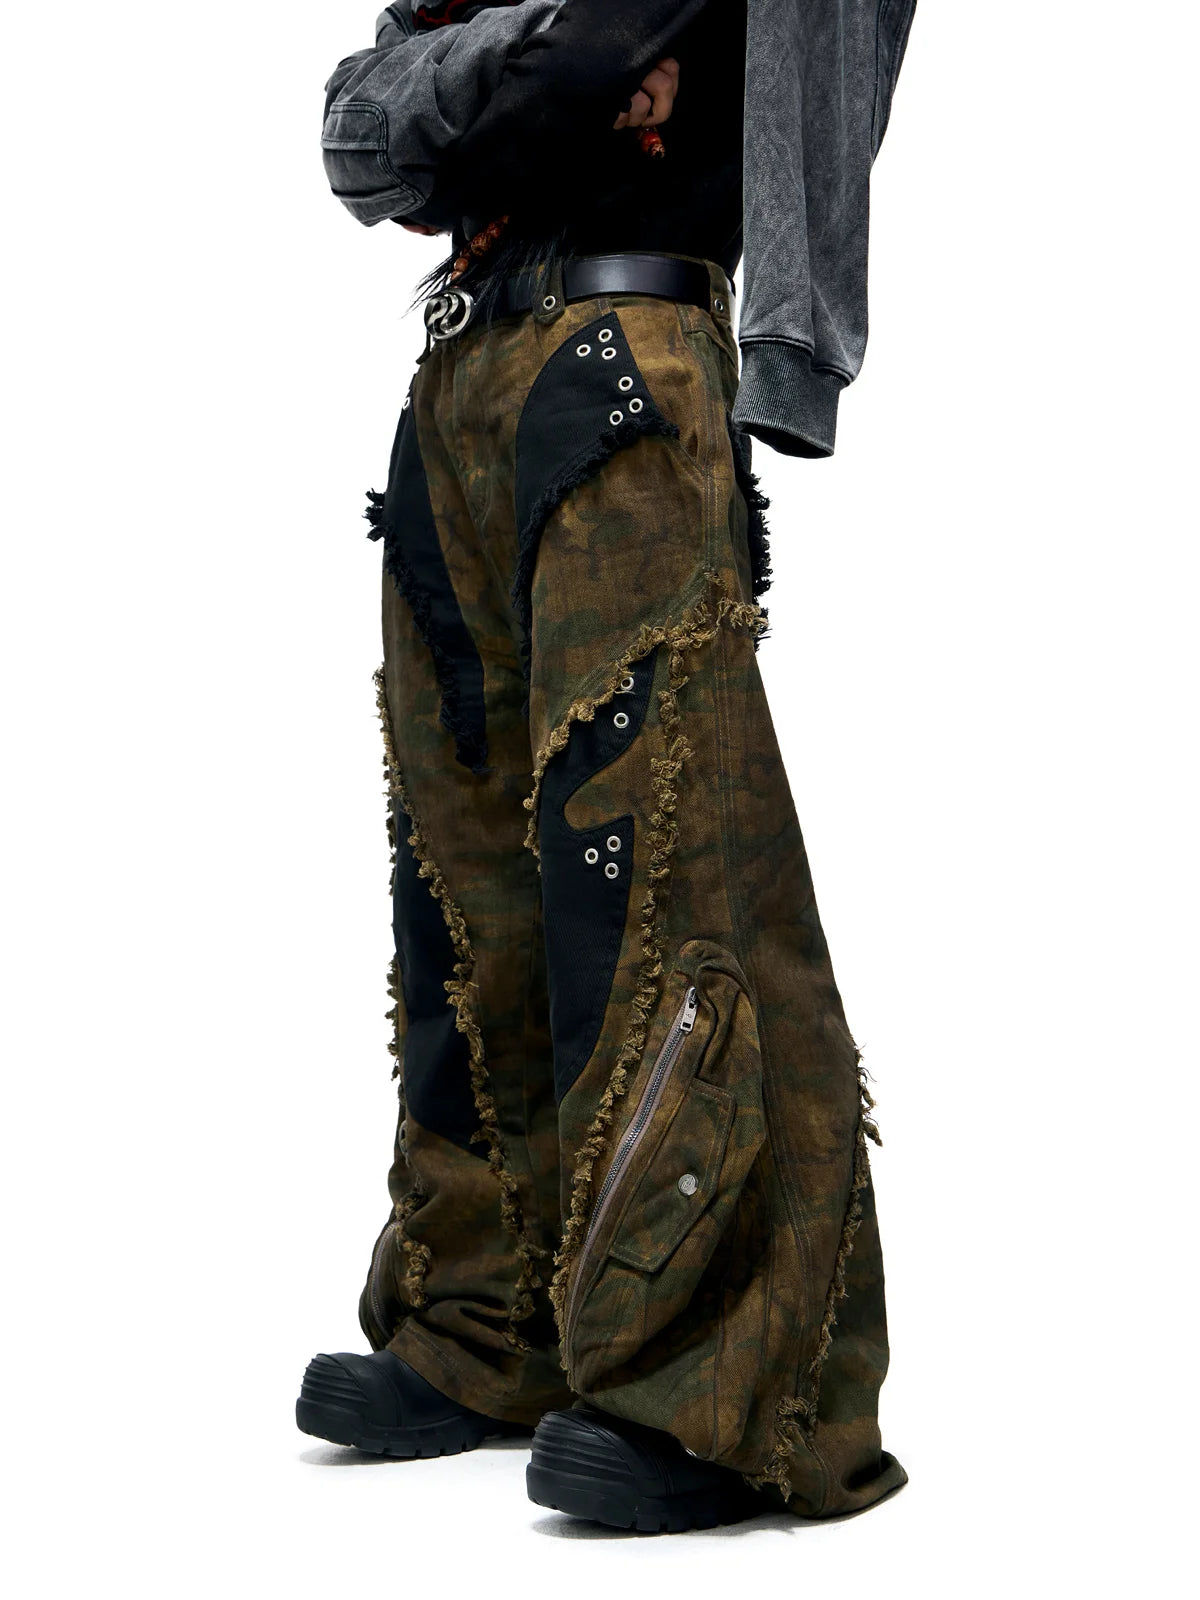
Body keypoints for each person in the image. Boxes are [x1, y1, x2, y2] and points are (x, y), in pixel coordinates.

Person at [299, 0, 916, 1532]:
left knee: (655, 863)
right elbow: (357, 130)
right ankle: (485, 1318)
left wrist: (482, 93)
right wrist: (538, 63)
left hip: (626, 348)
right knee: (459, 877)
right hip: (457, 370)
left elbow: (520, 83)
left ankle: (723, 1388)